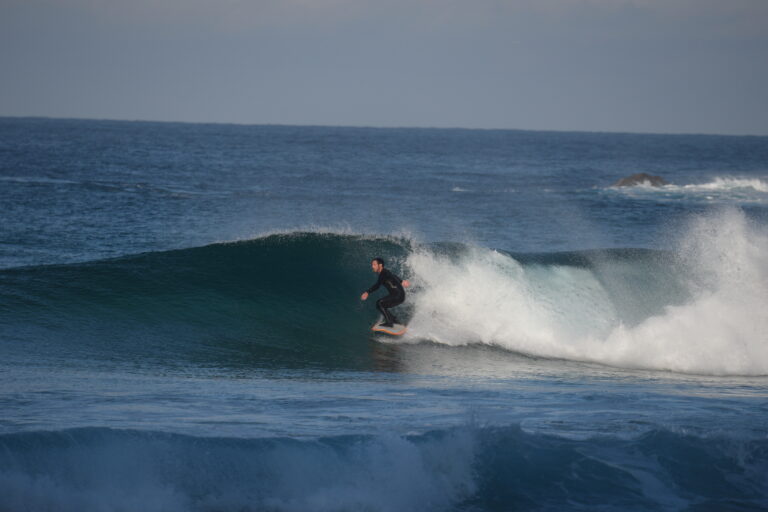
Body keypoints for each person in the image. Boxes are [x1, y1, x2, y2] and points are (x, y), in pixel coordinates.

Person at [360, 257, 411, 327]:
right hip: (400, 295)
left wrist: (367, 292)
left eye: (374, 265)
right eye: (372, 265)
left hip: (398, 295)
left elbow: (377, 285)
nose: (372, 266)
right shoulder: (385, 272)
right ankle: (393, 319)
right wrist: (401, 281)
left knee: (379, 303)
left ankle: (389, 322)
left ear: (380, 265)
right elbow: (393, 275)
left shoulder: (383, 273)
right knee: (382, 305)